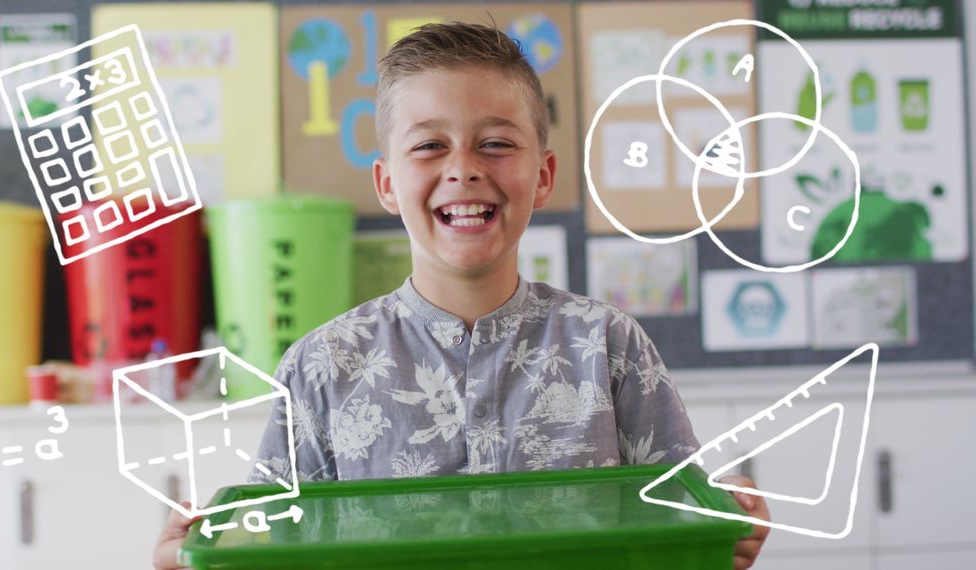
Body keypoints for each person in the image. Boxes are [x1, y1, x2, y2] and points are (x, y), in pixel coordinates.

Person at [154, 22, 769, 570]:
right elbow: (274, 550)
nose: (464, 168)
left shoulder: (607, 346)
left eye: (496, 143)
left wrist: (724, 530)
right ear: (387, 182)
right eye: (428, 145)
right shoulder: (322, 367)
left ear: (544, 174)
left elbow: (676, 528)